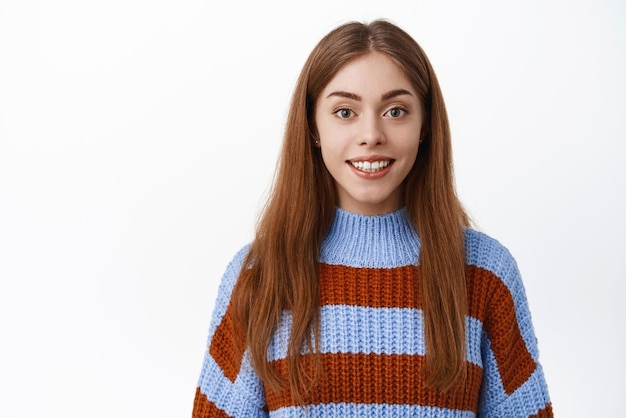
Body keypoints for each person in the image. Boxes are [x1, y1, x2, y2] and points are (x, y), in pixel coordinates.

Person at [191, 19, 553, 417]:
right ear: (313, 126)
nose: (371, 134)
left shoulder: (485, 274)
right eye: (344, 111)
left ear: (425, 125)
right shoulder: (259, 277)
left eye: (396, 110)